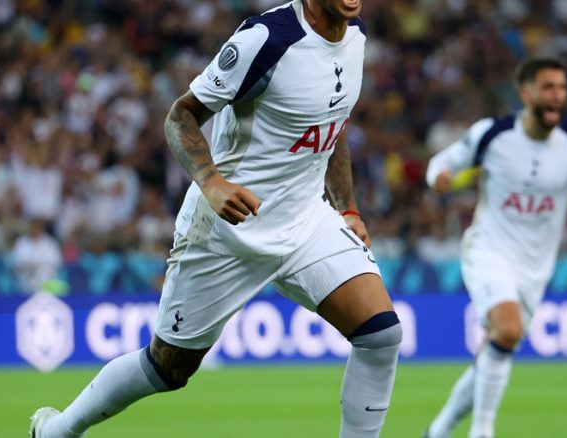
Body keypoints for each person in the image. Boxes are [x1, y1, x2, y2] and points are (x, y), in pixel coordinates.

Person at [30, 1, 402, 437]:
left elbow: (332, 125)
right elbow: (181, 115)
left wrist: (348, 208)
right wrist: (212, 182)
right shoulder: (266, 40)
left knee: (380, 335)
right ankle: (57, 431)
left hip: (306, 223)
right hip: (229, 231)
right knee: (167, 368)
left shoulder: (355, 36)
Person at [423, 57, 567, 438]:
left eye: (562, 88)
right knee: (506, 331)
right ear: (526, 94)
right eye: (548, 88)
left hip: (535, 266)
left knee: (496, 348)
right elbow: (443, 162)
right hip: (487, 249)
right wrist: (438, 176)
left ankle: (439, 430)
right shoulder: (493, 134)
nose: (557, 96)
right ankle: (482, 430)